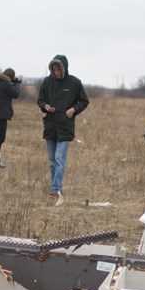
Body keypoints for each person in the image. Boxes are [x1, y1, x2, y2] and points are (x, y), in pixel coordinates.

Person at [37, 54, 89, 205]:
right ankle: (56, 187)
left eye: (58, 69)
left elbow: (84, 101)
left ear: (64, 68)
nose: (56, 72)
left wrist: (73, 109)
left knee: (60, 159)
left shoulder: (74, 83)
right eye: (53, 69)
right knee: (52, 161)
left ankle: (55, 189)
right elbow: (40, 100)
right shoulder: (47, 82)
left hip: (65, 127)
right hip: (50, 126)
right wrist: (45, 106)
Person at [0, 68, 21, 168]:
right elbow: (16, 94)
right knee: (0, 138)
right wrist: (17, 83)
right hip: (1, 114)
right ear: (10, 76)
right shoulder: (6, 83)